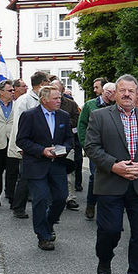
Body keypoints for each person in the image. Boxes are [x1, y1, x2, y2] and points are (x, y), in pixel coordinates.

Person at [84, 75, 138, 274]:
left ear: (137, 93)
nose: (127, 94)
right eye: (123, 90)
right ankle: (105, 258)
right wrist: (113, 166)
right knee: (109, 231)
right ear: (115, 93)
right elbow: (91, 146)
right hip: (110, 183)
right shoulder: (99, 116)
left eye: (131, 90)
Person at [15, 86, 71, 250]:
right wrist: (42, 150)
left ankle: (48, 223)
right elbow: (22, 140)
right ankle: (43, 236)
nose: (59, 101)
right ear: (44, 100)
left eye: (59, 98)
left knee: (61, 198)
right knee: (40, 199)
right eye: (55, 98)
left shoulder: (64, 116)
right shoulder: (29, 116)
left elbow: (69, 139)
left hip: (57, 165)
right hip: (36, 165)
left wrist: (62, 150)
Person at [8, 71, 49, 219]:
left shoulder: (43, 99)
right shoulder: (25, 100)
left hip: (41, 145)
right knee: (25, 177)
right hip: (28, 145)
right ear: (43, 83)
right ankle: (18, 207)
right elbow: (19, 124)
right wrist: (21, 147)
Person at [78, 81, 116, 219]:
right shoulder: (90, 105)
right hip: (95, 148)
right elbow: (82, 125)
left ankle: (109, 206)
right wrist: (85, 145)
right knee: (95, 177)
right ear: (105, 92)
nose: (114, 95)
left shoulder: (115, 106)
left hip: (112, 148)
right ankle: (90, 204)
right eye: (111, 92)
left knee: (112, 177)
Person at [52, 79, 81, 211]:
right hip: (50, 144)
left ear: (63, 91)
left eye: (58, 90)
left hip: (66, 143)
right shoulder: (46, 104)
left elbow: (77, 121)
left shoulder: (71, 104)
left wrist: (63, 123)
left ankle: (70, 198)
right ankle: (55, 198)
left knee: (68, 173)